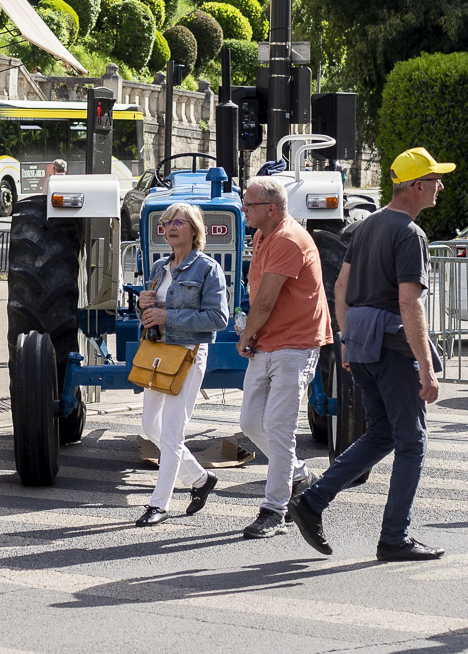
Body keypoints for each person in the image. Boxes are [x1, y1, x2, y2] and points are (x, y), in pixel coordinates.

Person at [288, 147, 449, 563]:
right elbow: (410, 303)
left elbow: (340, 289)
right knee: (412, 441)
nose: (440, 187)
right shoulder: (410, 234)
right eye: (434, 180)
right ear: (416, 186)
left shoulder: (365, 226)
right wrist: (427, 369)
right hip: (393, 347)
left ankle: (313, 500)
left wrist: (345, 341)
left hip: (361, 343)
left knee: (381, 433)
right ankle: (394, 537)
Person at [235, 178, 331, 538]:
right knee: (250, 423)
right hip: (269, 340)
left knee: (279, 427)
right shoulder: (263, 235)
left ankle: (274, 509)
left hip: (295, 343)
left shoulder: (289, 238)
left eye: (249, 205)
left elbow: (265, 300)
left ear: (270, 209)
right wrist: (254, 335)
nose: (244, 209)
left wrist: (246, 335)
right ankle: (300, 476)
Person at [134, 201, 229, 527]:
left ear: (194, 230)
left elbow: (218, 318)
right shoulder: (161, 267)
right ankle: (200, 480)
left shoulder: (207, 269)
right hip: (159, 351)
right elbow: (150, 315)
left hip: (188, 353)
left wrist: (168, 315)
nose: (172, 227)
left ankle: (159, 505)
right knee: (151, 427)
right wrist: (143, 304)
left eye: (180, 222)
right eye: (168, 222)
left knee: (172, 433)